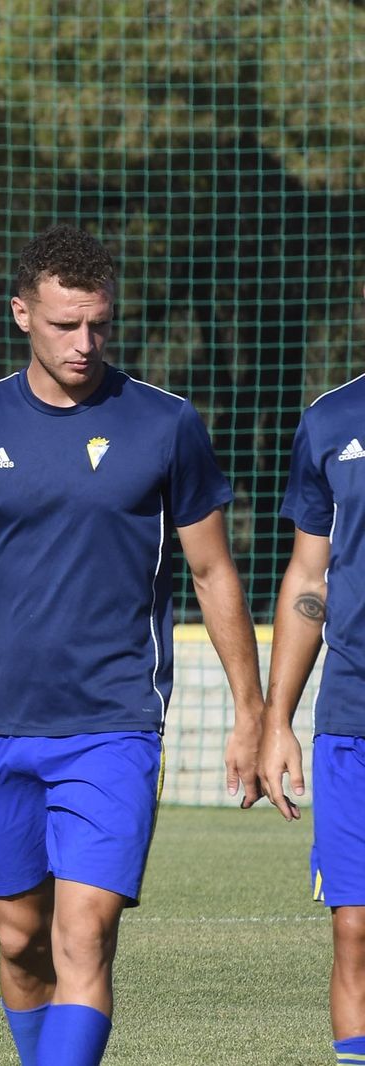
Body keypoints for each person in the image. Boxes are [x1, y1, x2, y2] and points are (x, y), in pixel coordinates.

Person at [0, 224, 263, 1065]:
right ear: (22, 314)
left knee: (84, 935)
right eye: (63, 324)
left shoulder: (166, 425)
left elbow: (213, 572)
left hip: (115, 722)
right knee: (21, 942)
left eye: (98, 325)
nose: (84, 343)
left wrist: (252, 711)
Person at [260, 329, 365, 1066]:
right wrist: (276, 719)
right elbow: (308, 578)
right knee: (354, 926)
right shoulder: (330, 419)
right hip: (352, 716)